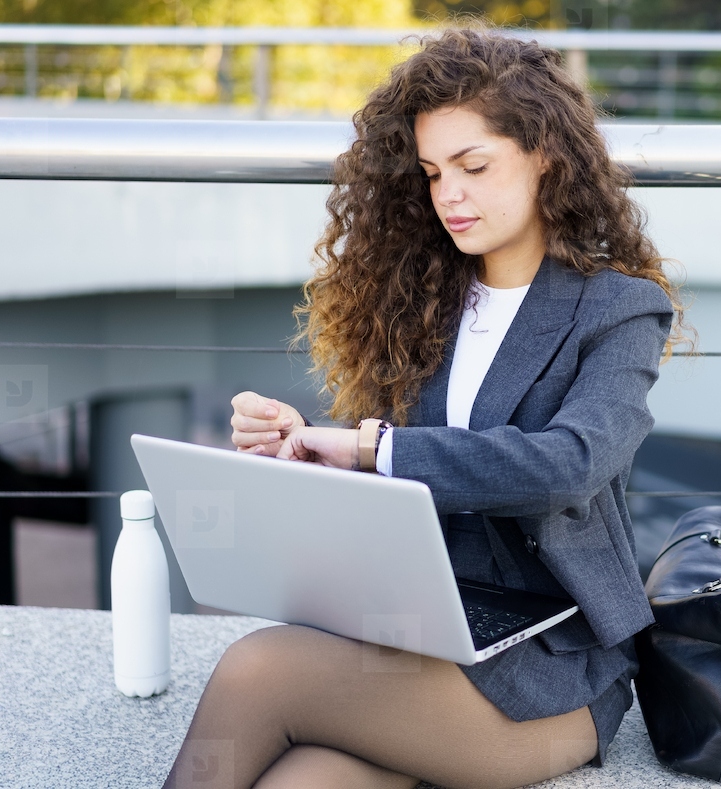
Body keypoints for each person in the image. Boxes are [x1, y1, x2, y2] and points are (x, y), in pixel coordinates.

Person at [163, 24, 689, 789]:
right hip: (426, 628)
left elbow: (567, 466)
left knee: (257, 667)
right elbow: (402, 485)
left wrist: (368, 447)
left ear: (544, 155)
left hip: (553, 670)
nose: (450, 195)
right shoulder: (422, 302)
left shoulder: (619, 310)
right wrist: (305, 445)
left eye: (474, 166)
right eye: (434, 172)